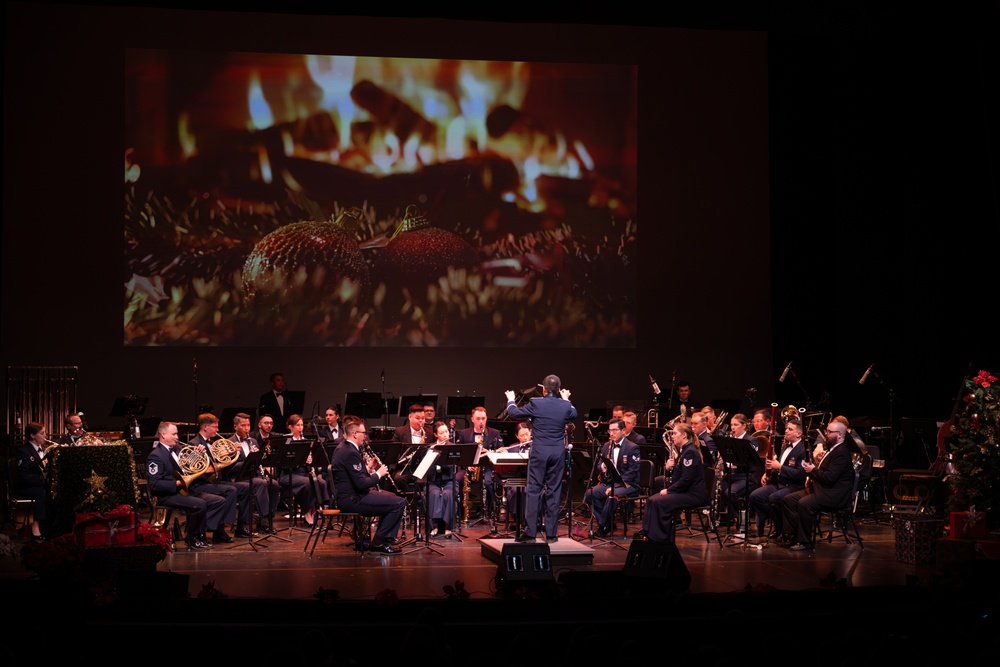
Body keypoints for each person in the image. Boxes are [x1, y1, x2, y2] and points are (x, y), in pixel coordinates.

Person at [504, 374, 577, 543]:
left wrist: (510, 399)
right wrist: (566, 399)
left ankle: (530, 534)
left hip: (540, 452)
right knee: (554, 490)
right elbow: (574, 414)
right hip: (558, 452)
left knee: (534, 490)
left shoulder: (537, 403)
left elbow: (513, 412)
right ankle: (551, 534)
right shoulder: (565, 405)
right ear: (558, 390)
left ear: (544, 389)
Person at [146, 421, 235, 549]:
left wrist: (198, 454)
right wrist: (177, 483)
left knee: (218, 501)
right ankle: (192, 538)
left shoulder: (177, 449)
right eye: (174, 434)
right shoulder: (155, 456)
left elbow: (191, 466)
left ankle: (202, 533)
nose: (177, 437)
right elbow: (155, 484)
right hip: (168, 495)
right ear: (163, 435)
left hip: (186, 490)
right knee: (199, 504)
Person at [331, 419, 407, 554]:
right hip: (353, 499)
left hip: (350, 496)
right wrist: (378, 474)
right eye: (363, 433)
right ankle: (378, 543)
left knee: (392, 497)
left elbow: (352, 475)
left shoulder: (343, 448)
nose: (365, 436)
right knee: (399, 503)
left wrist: (368, 469)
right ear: (355, 434)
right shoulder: (350, 452)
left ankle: (382, 540)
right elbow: (361, 484)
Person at [780, 420, 856, 550]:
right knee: (788, 500)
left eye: (829, 432)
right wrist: (812, 474)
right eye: (826, 431)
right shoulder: (833, 449)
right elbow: (825, 473)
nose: (826, 434)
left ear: (839, 435)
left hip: (833, 495)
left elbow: (830, 478)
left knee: (804, 503)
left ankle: (805, 542)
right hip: (822, 489)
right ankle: (792, 535)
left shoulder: (841, 452)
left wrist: (812, 471)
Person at [633, 422, 708, 543]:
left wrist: (669, 490)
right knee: (651, 499)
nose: (672, 436)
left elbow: (686, 479)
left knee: (659, 502)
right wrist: (668, 469)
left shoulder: (690, 452)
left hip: (694, 494)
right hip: (685, 491)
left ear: (684, 435)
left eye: (675, 433)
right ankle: (648, 532)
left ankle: (659, 537)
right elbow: (676, 477)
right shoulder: (684, 450)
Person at [188, 413, 247, 541]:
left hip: (216, 482)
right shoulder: (193, 444)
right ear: (205, 427)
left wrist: (232, 454)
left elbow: (224, 468)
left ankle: (239, 527)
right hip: (200, 485)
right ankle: (219, 529)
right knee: (230, 491)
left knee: (245, 488)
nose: (217, 430)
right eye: (215, 427)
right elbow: (194, 471)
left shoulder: (213, 443)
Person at [748, 417, 807, 540]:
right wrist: (769, 473)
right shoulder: (785, 446)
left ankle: (783, 528)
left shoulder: (803, 450)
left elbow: (800, 474)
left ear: (799, 433)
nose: (786, 431)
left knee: (774, 498)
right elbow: (780, 466)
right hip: (779, 484)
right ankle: (778, 521)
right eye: (786, 428)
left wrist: (779, 467)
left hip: (793, 486)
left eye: (790, 429)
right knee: (755, 496)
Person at [225, 411, 280, 535]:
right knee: (260, 483)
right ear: (235, 427)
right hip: (238, 478)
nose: (247, 428)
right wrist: (248, 460)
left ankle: (267, 519)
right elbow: (228, 469)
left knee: (274, 484)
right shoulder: (229, 443)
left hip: (254, 476)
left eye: (248, 425)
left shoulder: (253, 441)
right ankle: (264, 520)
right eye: (243, 426)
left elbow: (257, 463)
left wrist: (257, 458)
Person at [584, 418, 641, 536]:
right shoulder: (606, 446)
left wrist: (618, 485)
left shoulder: (632, 447)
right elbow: (599, 464)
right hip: (609, 482)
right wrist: (603, 467)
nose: (611, 433)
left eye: (615, 430)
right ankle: (607, 523)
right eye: (610, 431)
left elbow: (633, 471)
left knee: (612, 494)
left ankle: (603, 527)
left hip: (628, 484)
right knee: (589, 494)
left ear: (623, 431)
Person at [279, 413, 329, 526]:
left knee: (321, 482)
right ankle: (307, 512)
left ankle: (319, 510)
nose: (301, 428)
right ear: (290, 427)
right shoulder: (285, 440)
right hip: (289, 474)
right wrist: (300, 460)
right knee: (307, 483)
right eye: (298, 425)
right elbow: (282, 462)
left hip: (303, 473)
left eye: (302, 425)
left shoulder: (305, 440)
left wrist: (310, 460)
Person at [456, 406, 504, 523]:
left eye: (483, 418)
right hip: (469, 467)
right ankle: (461, 512)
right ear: (472, 419)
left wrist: (489, 452)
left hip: (487, 467)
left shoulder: (494, 433)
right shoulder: (463, 433)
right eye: (478, 418)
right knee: (456, 479)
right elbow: (457, 454)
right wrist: (467, 465)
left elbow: (502, 450)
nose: (481, 421)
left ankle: (490, 511)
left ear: (486, 418)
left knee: (488, 482)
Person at [718, 413, 762, 527]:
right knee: (717, 489)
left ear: (744, 426)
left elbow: (751, 461)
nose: (732, 428)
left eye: (736, 425)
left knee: (730, 493)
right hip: (731, 475)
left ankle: (741, 516)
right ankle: (731, 517)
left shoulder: (751, 440)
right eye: (732, 425)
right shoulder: (729, 440)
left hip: (746, 476)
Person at [15, 422, 50, 541]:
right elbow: (23, 477)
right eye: (42, 433)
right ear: (32, 435)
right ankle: (36, 524)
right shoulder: (23, 451)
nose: (45, 436)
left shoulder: (45, 450)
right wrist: (42, 479)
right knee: (42, 493)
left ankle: (51, 525)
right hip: (27, 486)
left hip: (42, 485)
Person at [426, 421, 460, 537]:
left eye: (446, 432)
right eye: (442, 433)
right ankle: (434, 526)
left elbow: (452, 467)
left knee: (448, 494)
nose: (445, 435)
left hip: (449, 480)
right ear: (436, 434)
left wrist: (440, 457)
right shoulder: (429, 447)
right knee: (434, 494)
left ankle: (447, 526)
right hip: (434, 481)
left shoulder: (452, 447)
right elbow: (426, 469)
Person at [391, 403, 429, 495]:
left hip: (423, 468)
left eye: (423, 418)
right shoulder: (400, 431)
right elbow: (393, 451)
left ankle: (421, 500)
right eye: (417, 418)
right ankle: (413, 497)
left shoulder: (430, 432)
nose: (421, 421)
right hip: (406, 468)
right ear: (410, 417)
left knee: (426, 481)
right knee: (398, 478)